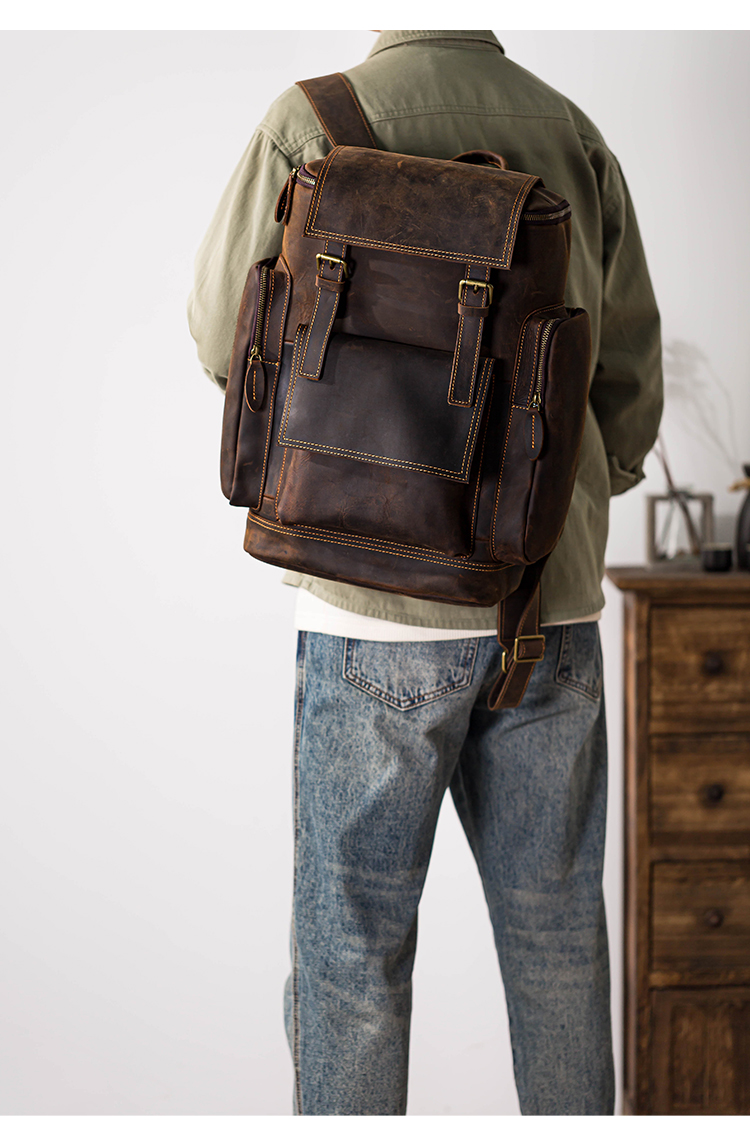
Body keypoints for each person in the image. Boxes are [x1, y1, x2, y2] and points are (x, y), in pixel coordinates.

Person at [188, 30, 662, 1116]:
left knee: (350, 955)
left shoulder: (309, 121)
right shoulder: (572, 132)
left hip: (371, 605)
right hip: (545, 604)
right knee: (557, 939)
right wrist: (580, 497)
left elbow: (224, 334)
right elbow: (627, 375)